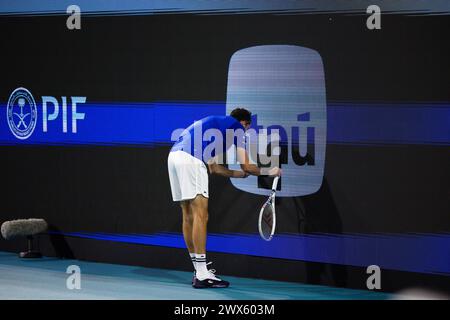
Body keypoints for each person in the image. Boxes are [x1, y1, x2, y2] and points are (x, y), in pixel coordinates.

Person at [167, 108, 281, 288]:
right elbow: (248, 165)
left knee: (188, 216)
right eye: (246, 128)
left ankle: (199, 271)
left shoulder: (216, 128)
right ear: (246, 124)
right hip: (191, 160)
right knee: (201, 216)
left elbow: (214, 168)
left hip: (174, 157)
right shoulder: (237, 127)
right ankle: (203, 274)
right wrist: (269, 171)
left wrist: (239, 175)